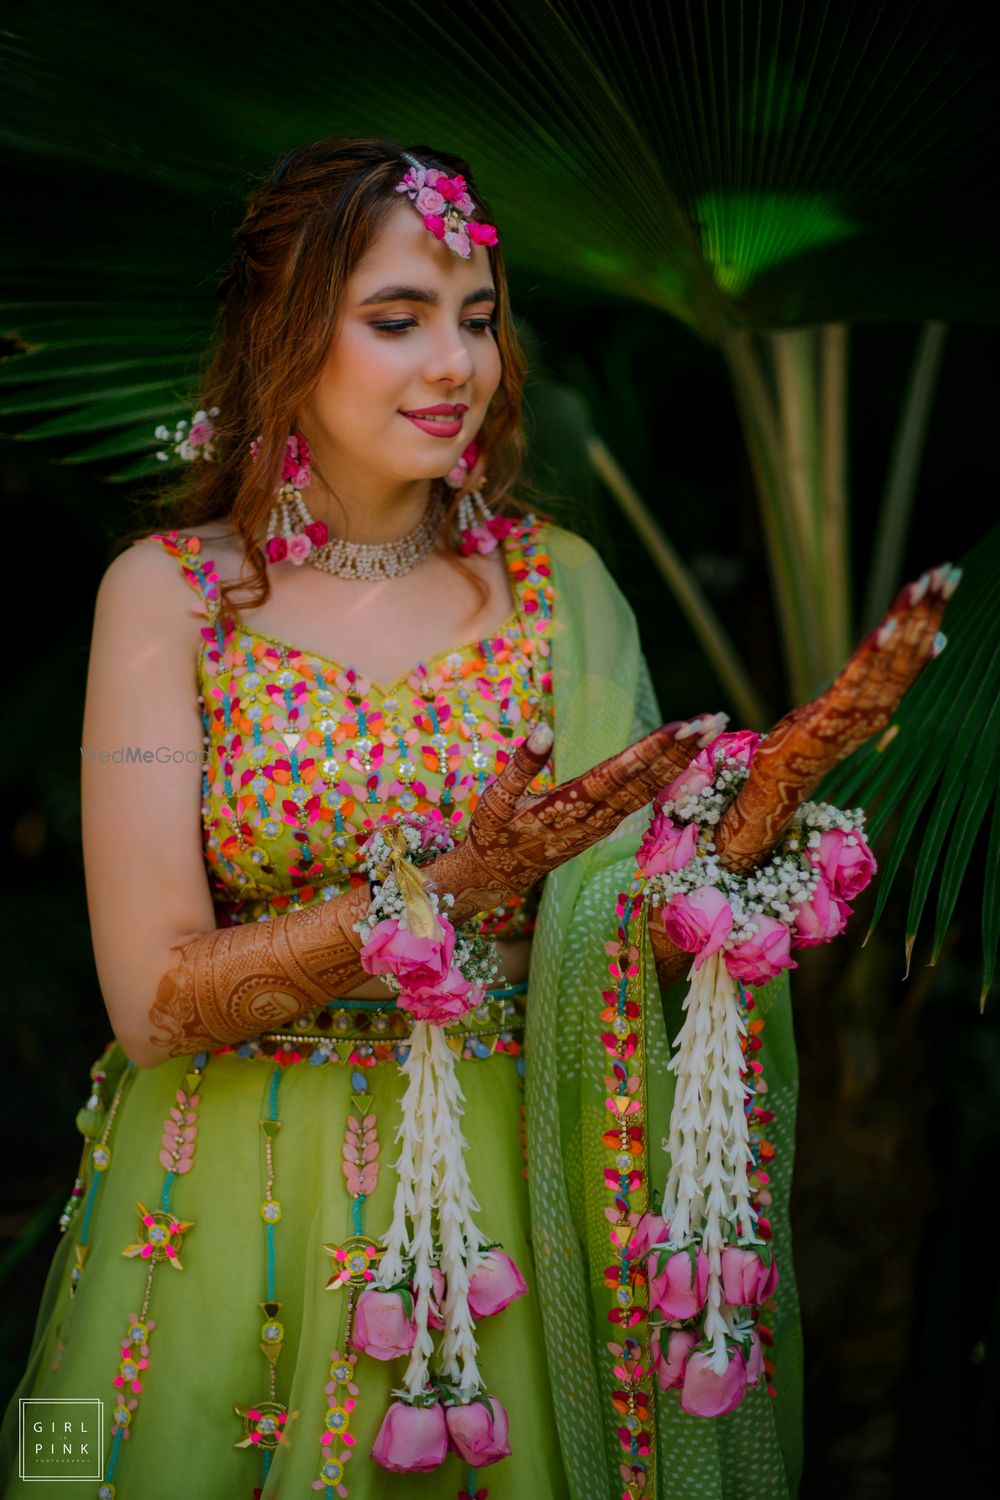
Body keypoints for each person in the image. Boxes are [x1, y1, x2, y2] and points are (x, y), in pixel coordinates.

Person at [1, 135, 948, 1500]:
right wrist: (438, 897)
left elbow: (637, 925)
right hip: (222, 1201)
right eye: (398, 320)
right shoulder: (169, 598)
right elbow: (149, 1000)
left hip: (515, 1207)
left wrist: (761, 819)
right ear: (284, 332)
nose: (457, 363)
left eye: (479, 318)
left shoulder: (561, 590)